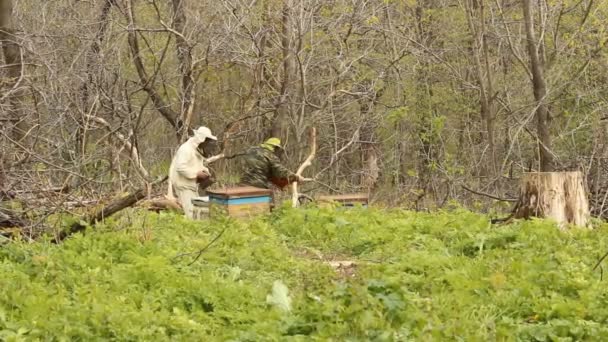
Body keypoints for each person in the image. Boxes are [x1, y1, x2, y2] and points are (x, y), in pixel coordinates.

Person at [168, 126, 218, 218]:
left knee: (202, 215)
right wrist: (197, 174)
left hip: (194, 185)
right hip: (184, 185)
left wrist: (204, 171)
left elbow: (195, 165)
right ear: (202, 139)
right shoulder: (186, 149)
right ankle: (194, 231)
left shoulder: (196, 149)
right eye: (206, 140)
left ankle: (203, 230)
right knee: (192, 215)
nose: (207, 143)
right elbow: (180, 167)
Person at [240, 137, 305, 190]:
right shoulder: (270, 156)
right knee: (269, 202)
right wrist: (296, 177)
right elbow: (280, 171)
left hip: (243, 183)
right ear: (274, 147)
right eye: (277, 148)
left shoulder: (250, 150)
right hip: (258, 185)